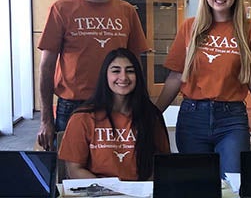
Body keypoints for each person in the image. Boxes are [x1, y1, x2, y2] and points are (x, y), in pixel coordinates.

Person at [155, 0, 251, 176]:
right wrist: (154, 114)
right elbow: (175, 76)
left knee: (234, 180)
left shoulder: (249, 29)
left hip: (232, 119)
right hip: (193, 117)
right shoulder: (190, 27)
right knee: (196, 183)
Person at [37, 0, 148, 151]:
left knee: (116, 171)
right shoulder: (61, 9)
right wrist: (45, 119)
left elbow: (135, 64)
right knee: (66, 174)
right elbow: (46, 67)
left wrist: (140, 105)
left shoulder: (127, 11)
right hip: (72, 107)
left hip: (117, 104)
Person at [58, 48, 170, 180]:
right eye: (116, 71)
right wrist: (110, 191)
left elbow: (161, 166)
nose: (123, 77)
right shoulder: (83, 117)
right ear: (105, 75)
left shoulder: (151, 116)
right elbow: (74, 170)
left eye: (130, 71)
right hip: (97, 192)